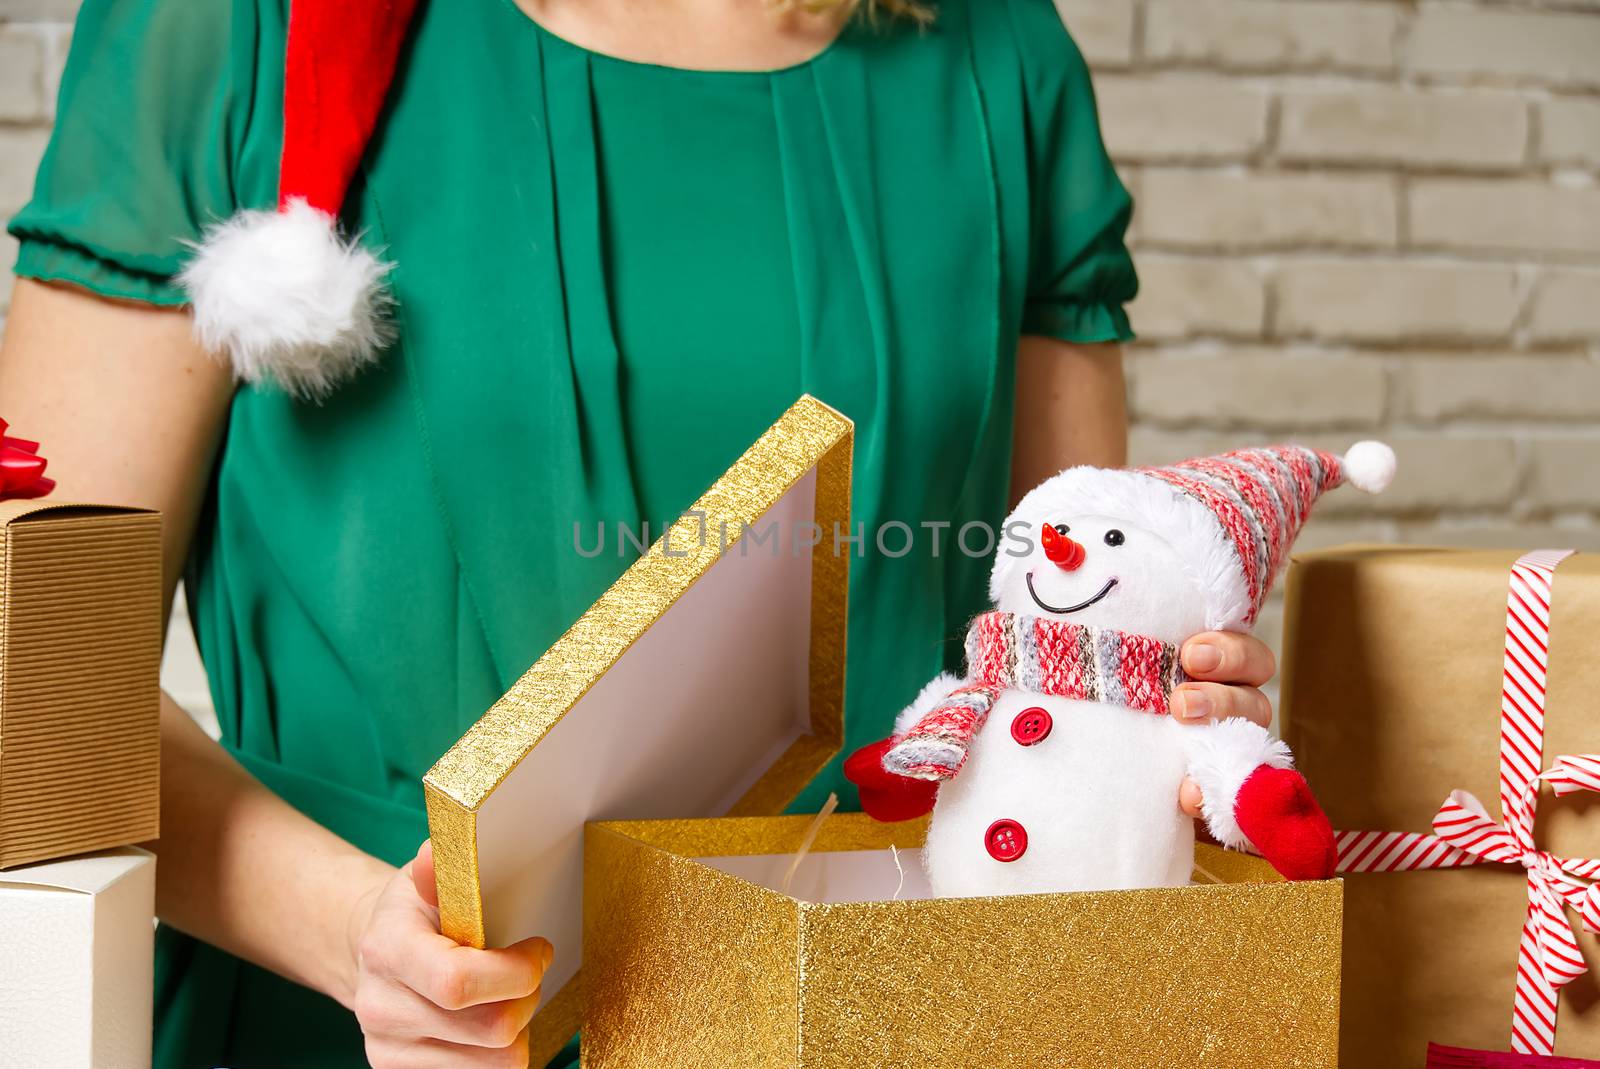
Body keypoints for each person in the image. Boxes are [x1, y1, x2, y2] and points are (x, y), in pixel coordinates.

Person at [0, 0, 1284, 1065]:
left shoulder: (998, 57)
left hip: (885, 1012)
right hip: (350, 1028)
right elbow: (35, 683)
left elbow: (1062, 651)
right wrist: (357, 938)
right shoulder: (233, 29)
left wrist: (1156, 709)